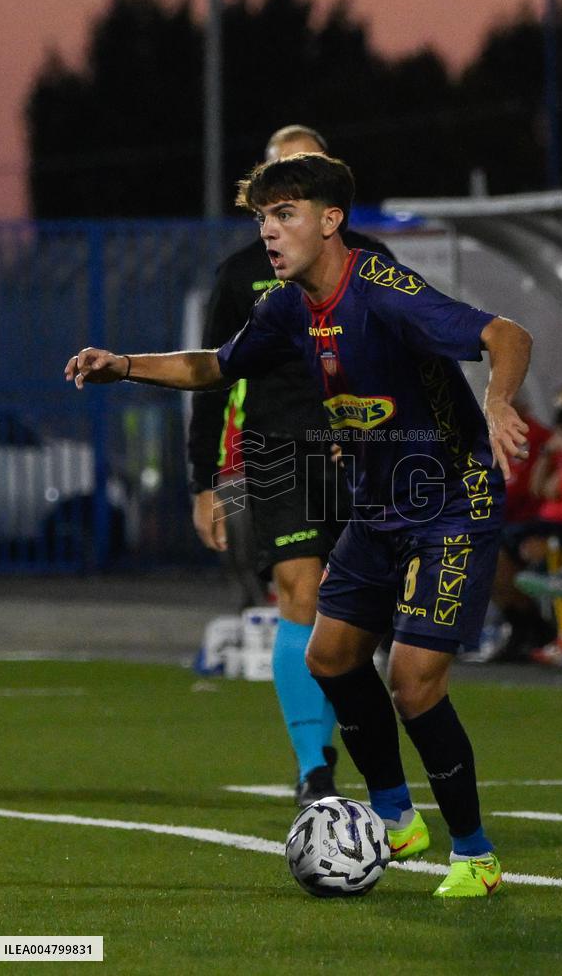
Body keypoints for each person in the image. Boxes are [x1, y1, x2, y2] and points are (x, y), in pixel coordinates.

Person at [65, 153, 532, 898]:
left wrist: (500, 401)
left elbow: (504, 333)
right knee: (331, 658)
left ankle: (474, 854)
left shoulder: (382, 290)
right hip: (377, 507)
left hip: (450, 501)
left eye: (284, 215)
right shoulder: (286, 307)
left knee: (413, 683)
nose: (269, 233)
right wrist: (123, 365)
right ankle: (394, 814)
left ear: (329, 220)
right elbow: (214, 366)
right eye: (261, 218)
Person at [188, 124, 395, 807]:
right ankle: (314, 767)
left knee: (369, 612)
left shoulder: (373, 261)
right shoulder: (241, 273)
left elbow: (408, 357)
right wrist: (205, 482)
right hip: (279, 451)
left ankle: (387, 768)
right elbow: (211, 376)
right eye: (278, 180)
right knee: (297, 594)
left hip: (365, 451)